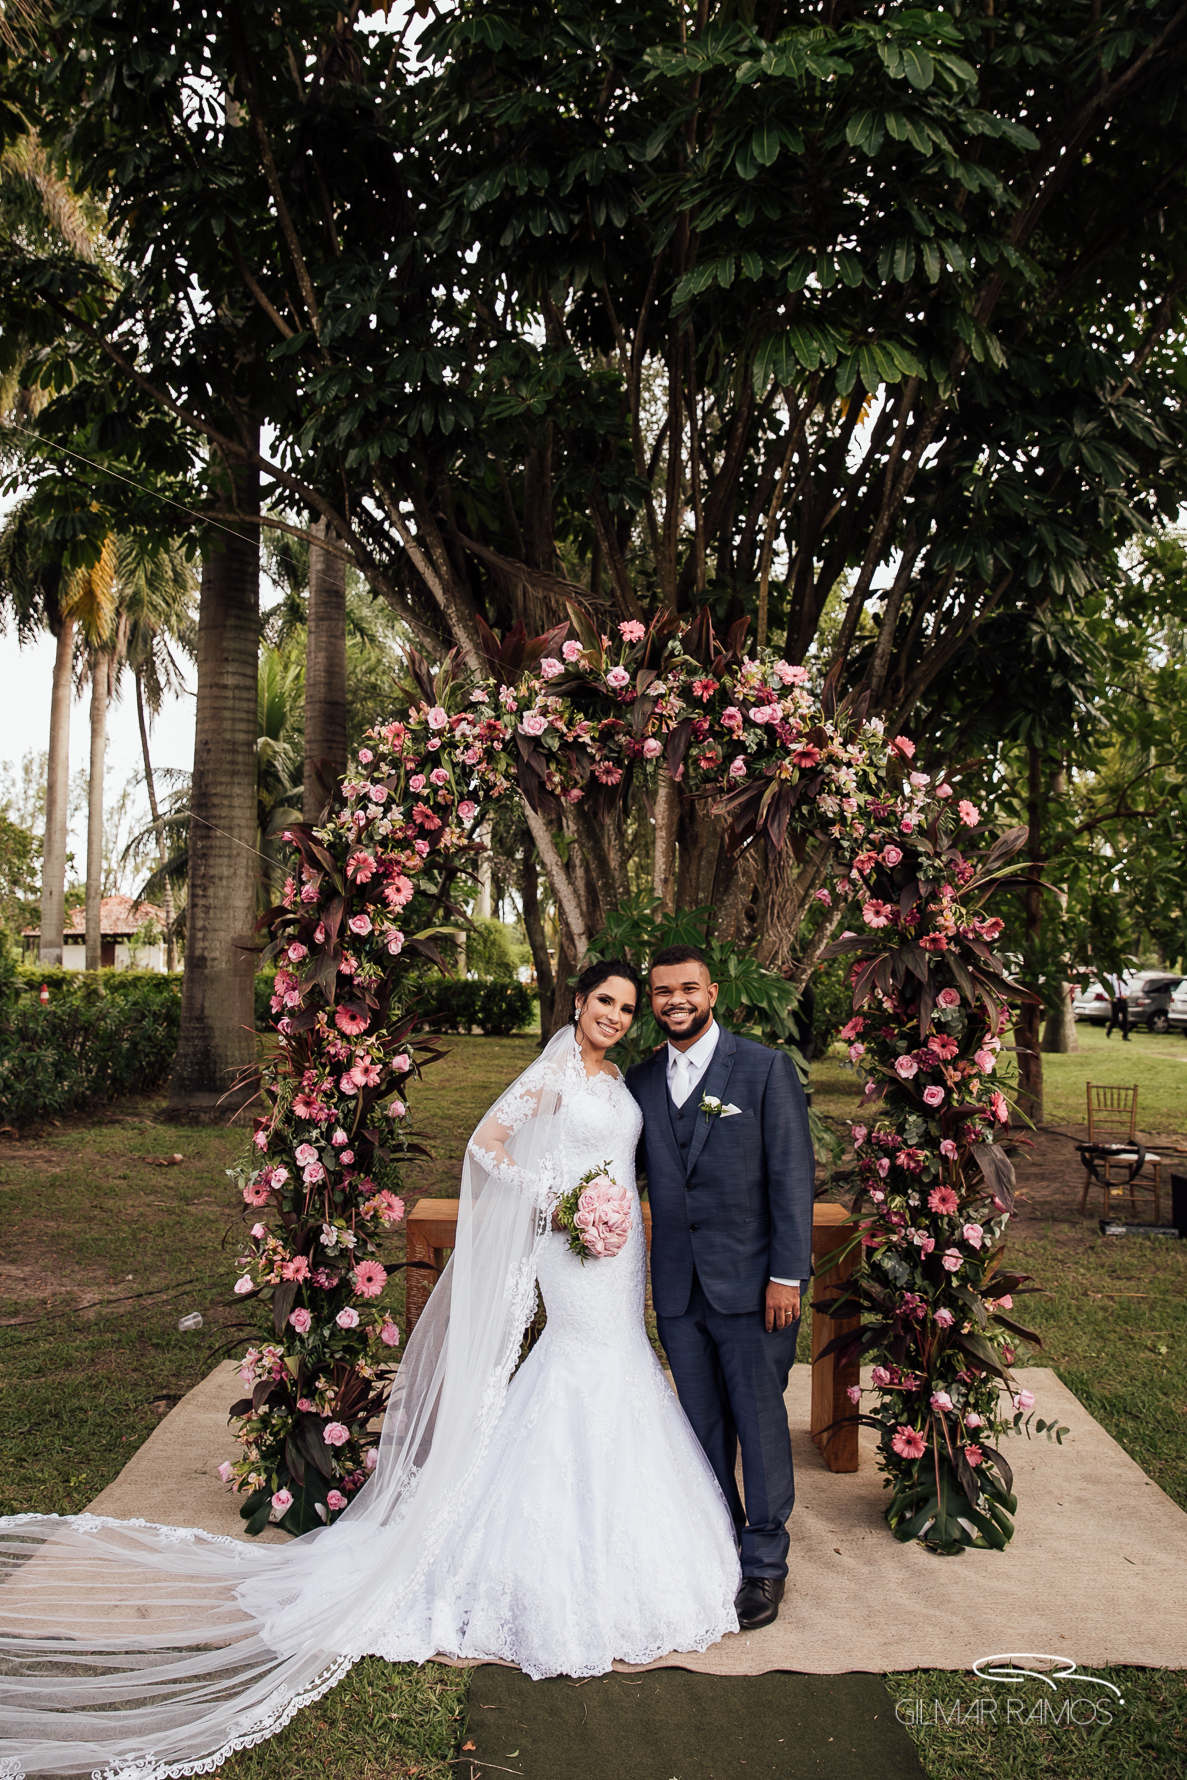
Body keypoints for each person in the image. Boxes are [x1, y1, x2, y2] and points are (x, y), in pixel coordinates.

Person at [0, 960, 740, 1777]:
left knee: (627, 1365)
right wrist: (553, 1202)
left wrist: (603, 1211)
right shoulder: (556, 1069)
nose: (615, 1014)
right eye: (605, 1000)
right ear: (578, 1002)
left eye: (626, 1006)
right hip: (568, 1246)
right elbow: (486, 1144)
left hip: (618, 1252)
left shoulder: (616, 1076)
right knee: (576, 1368)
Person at [626, 945, 815, 1633]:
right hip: (677, 1288)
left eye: (686, 988)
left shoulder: (764, 1069)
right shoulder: (640, 1079)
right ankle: (715, 1544)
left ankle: (765, 1564)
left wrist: (785, 1276)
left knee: (760, 1426)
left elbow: (792, 1179)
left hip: (755, 1285)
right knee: (699, 1428)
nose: (673, 1000)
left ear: (711, 992)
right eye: (660, 991)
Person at [1105, 975, 1131, 1041]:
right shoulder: (1110, 978)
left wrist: (1126, 994)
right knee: (1115, 1018)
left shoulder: (1123, 978)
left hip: (1122, 999)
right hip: (1115, 999)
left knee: (1125, 1017)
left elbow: (1128, 988)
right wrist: (1108, 996)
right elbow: (1105, 988)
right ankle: (1109, 1030)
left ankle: (1125, 1035)